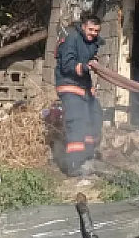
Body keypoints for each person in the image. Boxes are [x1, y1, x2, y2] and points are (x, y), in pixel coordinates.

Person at [54, 12, 104, 176]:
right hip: (69, 86)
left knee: (95, 115)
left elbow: (91, 56)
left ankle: (87, 157)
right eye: (90, 30)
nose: (93, 34)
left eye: (96, 31)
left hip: (84, 87)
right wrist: (84, 67)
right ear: (83, 27)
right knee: (77, 121)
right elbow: (67, 65)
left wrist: (94, 61)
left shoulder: (93, 42)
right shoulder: (72, 39)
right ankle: (74, 164)